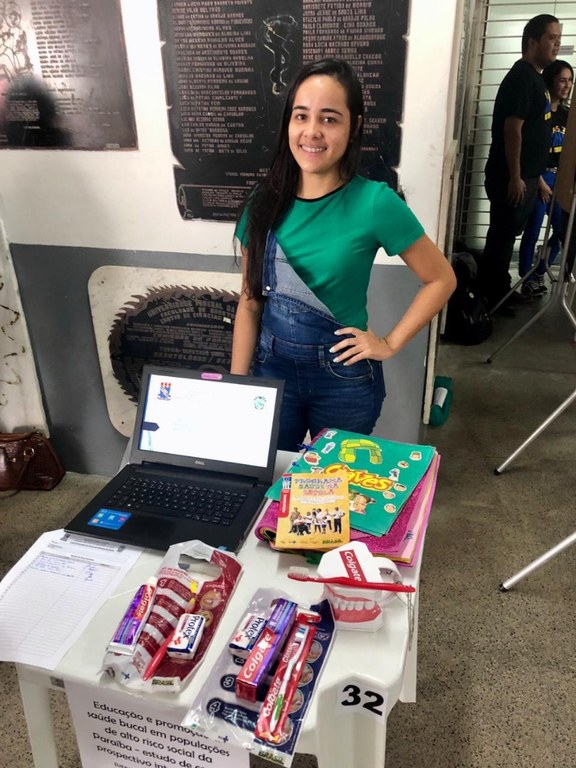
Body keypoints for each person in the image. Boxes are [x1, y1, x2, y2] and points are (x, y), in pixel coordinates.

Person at [231, 59, 455, 451]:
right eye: (301, 116)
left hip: (342, 381)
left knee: (335, 484)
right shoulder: (262, 202)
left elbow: (442, 279)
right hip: (271, 371)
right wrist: (235, 386)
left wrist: (389, 343)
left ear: (354, 127)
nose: (312, 132)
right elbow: (250, 303)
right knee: (269, 479)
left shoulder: (375, 202)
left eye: (330, 119)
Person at [477, 14, 561, 313]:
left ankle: (499, 290)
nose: (557, 44)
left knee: (505, 236)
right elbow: (512, 130)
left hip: (527, 176)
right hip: (511, 177)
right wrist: (515, 177)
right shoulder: (522, 78)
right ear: (532, 41)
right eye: (551, 38)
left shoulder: (537, 78)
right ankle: (489, 300)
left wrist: (535, 177)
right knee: (500, 238)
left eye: (558, 38)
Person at [518, 60, 574, 296]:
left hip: (561, 180)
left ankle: (541, 270)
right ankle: (526, 278)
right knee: (532, 230)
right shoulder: (539, 111)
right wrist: (539, 181)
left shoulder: (568, 115)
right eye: (562, 80)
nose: (567, 85)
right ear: (551, 81)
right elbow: (527, 149)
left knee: (563, 233)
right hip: (538, 178)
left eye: (570, 80)